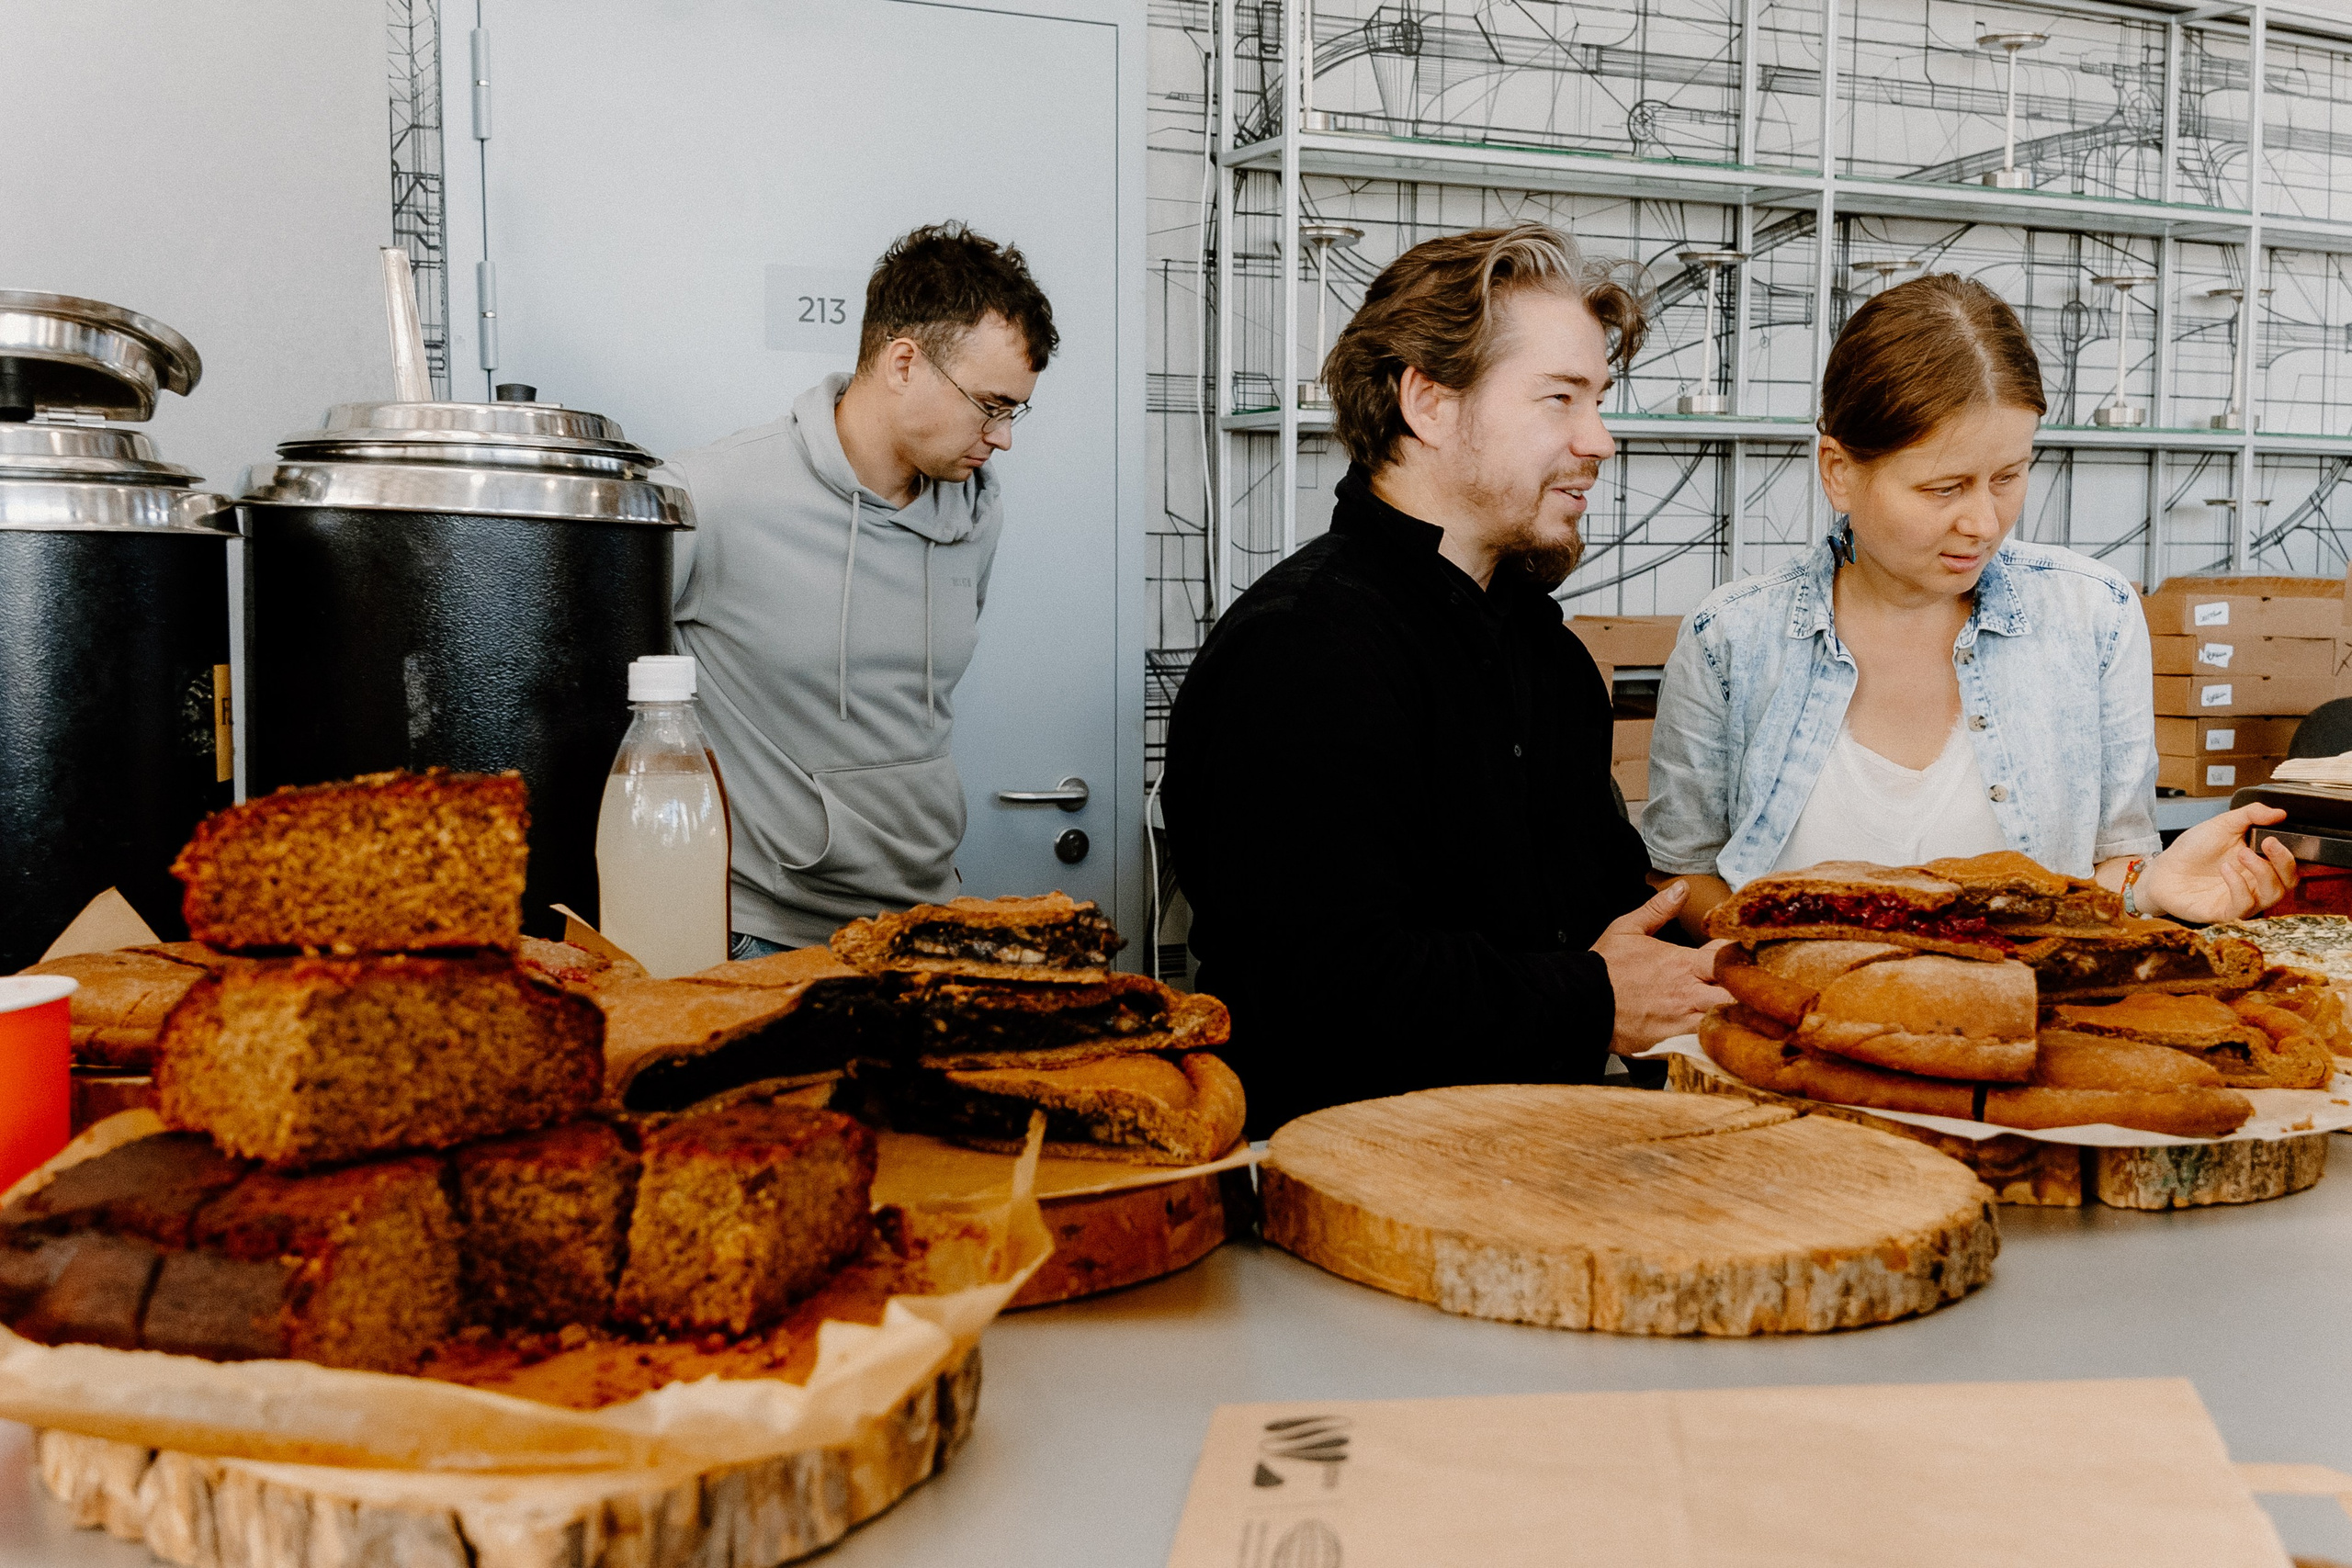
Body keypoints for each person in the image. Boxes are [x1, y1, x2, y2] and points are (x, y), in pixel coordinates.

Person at [1163, 223, 1728, 1136]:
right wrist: (1591, 998)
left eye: (1599, 400)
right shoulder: (1297, 654)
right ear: (1427, 401)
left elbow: (1606, 917)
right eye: (1559, 399)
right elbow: (1322, 996)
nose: (1599, 440)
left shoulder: (1544, 654)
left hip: (1547, 1171)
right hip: (1347, 1202)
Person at [1643, 273, 2299, 931]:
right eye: (1944, 488)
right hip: (1794, 1023)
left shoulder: (2094, 616)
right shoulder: (1729, 639)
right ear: (1838, 471)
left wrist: (2156, 886)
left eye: (2009, 476)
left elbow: (2112, 871)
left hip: (2024, 1024)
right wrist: (1813, 958)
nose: (1984, 521)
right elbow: (1679, 876)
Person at [663, 222, 1058, 957]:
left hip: (926, 927)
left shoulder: (977, 512)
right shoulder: (708, 496)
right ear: (904, 363)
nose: (1003, 437)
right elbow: (592, 697)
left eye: (1014, 411)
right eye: (992, 405)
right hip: (767, 936)